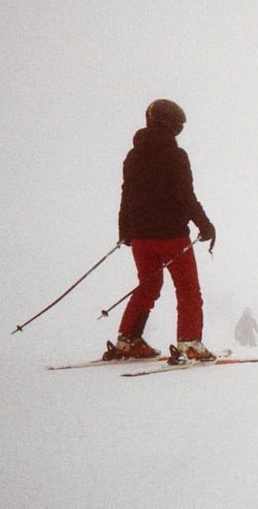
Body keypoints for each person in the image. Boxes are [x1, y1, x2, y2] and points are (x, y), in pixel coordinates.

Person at [104, 99, 217, 362]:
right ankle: (189, 343)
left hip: (141, 237)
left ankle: (128, 340)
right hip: (172, 236)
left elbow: (126, 196)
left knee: (147, 286)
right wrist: (205, 224)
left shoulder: (133, 156)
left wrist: (125, 230)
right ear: (173, 125)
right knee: (188, 289)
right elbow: (185, 195)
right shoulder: (176, 155)